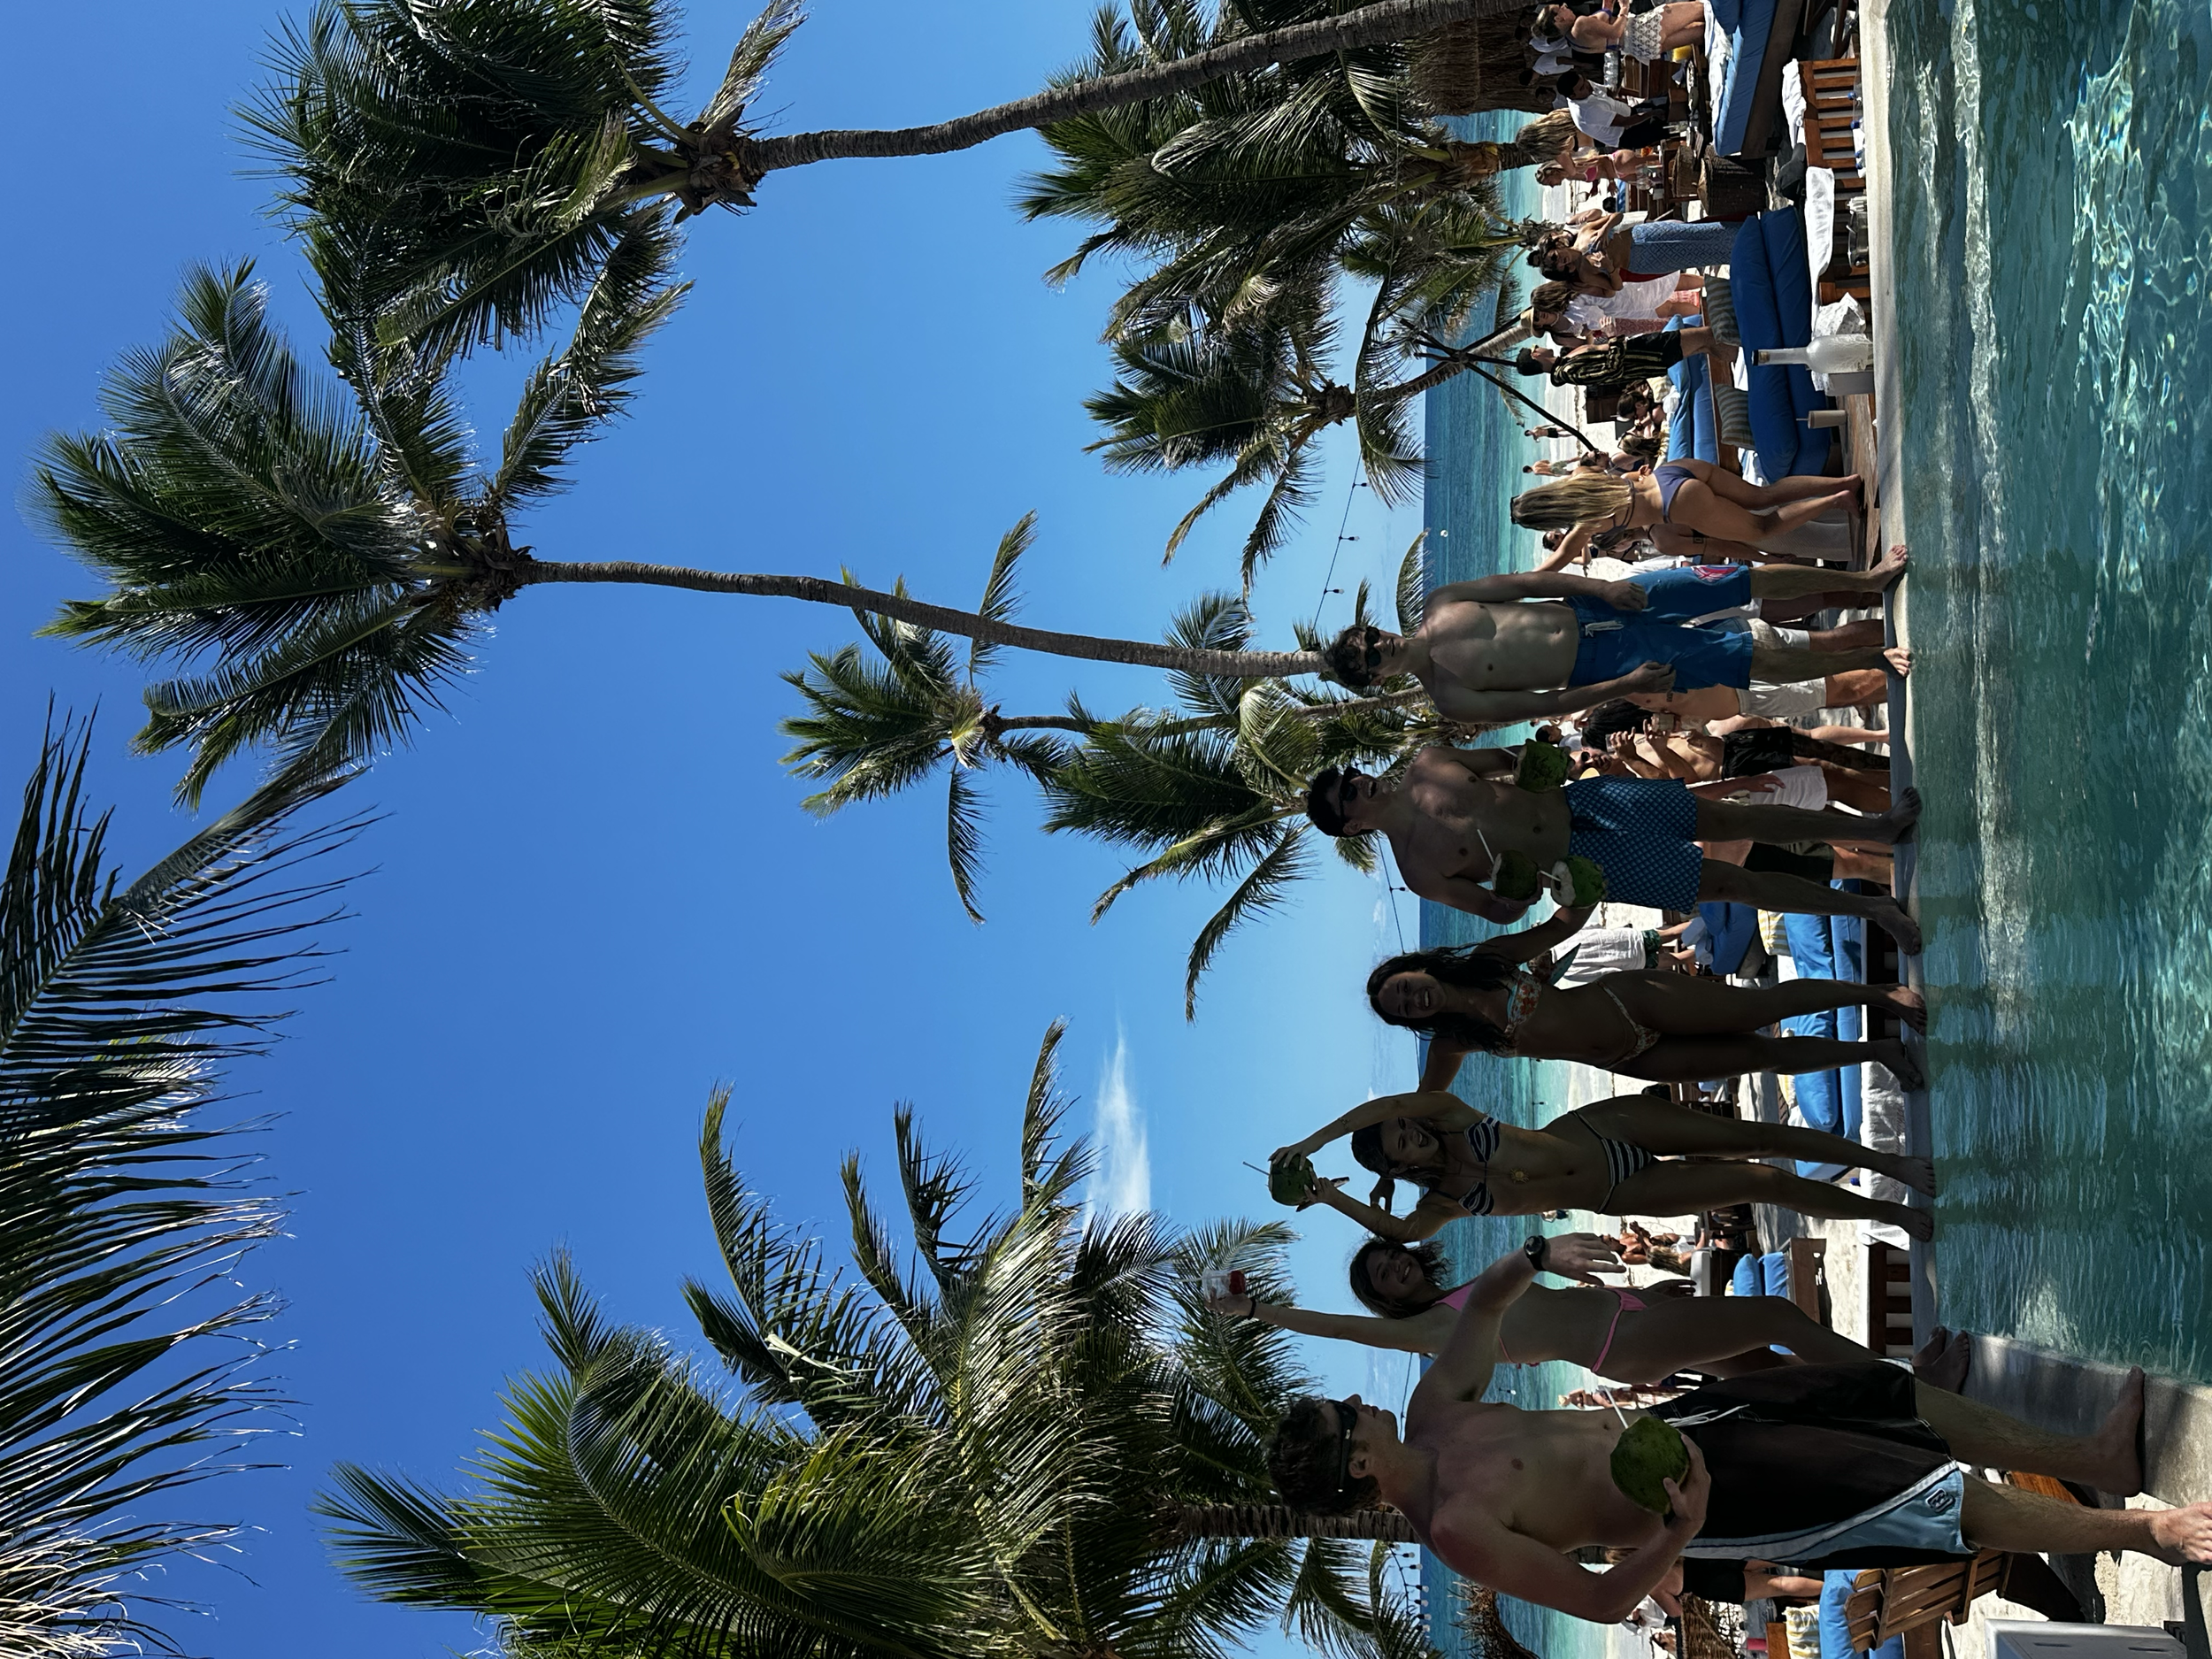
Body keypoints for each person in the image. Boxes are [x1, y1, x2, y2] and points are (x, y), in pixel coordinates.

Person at [1264, 1251, 2212, 1624]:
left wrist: (1535, 1261)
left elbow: (1479, 1321)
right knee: (1921, 1503)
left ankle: (2089, 1459)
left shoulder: (1434, 1411)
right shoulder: (1456, 1530)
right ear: (1356, 1460)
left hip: (1687, 1422)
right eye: (1345, 1415)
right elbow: (1598, 1603)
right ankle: (2149, 1534)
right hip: (1706, 1505)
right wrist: (1678, 1532)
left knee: (1882, 1391)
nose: (1358, 1400)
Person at [1301, 744, 1926, 952]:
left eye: (1351, 775)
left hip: (1587, 802)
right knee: (1736, 885)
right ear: (1352, 827)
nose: (1359, 783)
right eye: (1347, 796)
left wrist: (1546, 757)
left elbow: (1510, 759)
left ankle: (1875, 827)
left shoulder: (1428, 762)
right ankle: (1875, 910)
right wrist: (1526, 889)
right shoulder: (1417, 872)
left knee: (1732, 816)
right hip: (1585, 867)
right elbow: (1497, 912)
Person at [1267, 1087, 1934, 1239]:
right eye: (1400, 1143)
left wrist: (1310, 1140)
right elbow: (1401, 1236)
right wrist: (1329, 1196)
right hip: (1618, 1192)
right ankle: (1888, 1213)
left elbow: (1376, 1104)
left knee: (1764, 1137)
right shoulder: (1440, 1202)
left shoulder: (1452, 1115)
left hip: (1601, 1128)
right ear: (1396, 1168)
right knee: (1769, 1184)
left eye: (1403, 1127)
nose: (1409, 1131)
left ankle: (1893, 1166)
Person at [1318, 555, 1909, 725]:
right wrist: (1623, 686)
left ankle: (1864, 579)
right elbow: (1545, 703)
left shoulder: (1443, 602)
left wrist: (1598, 589)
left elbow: (1529, 581)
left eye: (1370, 637)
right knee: (1747, 662)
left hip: (1599, 603)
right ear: (1376, 679)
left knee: (1738, 579)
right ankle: (1875, 657)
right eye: (1371, 659)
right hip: (1609, 661)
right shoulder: (1448, 696)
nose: (1380, 647)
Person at [1208, 1233, 1880, 1382]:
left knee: (1764, 1370)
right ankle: (1899, 1389)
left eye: (1394, 1256)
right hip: (1619, 1344)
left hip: (1628, 1315)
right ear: (1386, 1299)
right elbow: (1337, 1326)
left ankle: (1888, 1413)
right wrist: (1257, 1309)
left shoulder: (1458, 1294)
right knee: (1778, 1317)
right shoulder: (1431, 1332)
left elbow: (1554, 1304)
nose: (1398, 1266)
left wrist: (1643, 1295)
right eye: (1386, 1275)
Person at [1364, 931, 1926, 1087]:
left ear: (1419, 968)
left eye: (1406, 986)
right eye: (1404, 1009)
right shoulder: (1453, 1040)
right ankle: (1874, 1050)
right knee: (1762, 1057)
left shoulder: (1489, 961)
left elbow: (1561, 925)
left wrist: (1573, 887)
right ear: (1413, 1021)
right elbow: (1424, 1106)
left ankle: (1880, 996)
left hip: (1629, 1000)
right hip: (1632, 1061)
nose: (1414, 999)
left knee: (1759, 1009)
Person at [1517, 467, 1870, 563]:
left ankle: (1838, 500)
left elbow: (1558, 562)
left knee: (1763, 527)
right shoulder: (1581, 476)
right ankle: (1845, 481)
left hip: (1676, 506)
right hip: (1671, 474)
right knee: (1765, 494)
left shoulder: (1585, 522)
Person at [1517, 330, 1717, 393]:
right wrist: (1613, 339)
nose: (1539, 346)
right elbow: (1611, 371)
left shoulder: (1564, 362)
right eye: (1535, 348)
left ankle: (1742, 347)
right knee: (1708, 336)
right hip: (1649, 356)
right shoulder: (1568, 372)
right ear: (1536, 356)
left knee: (1707, 344)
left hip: (1644, 350)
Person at [1548, 0, 1708, 61]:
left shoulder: (1573, 41)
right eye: (1560, 8)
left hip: (1638, 48)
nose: (1564, 6)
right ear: (1557, 19)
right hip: (1639, 30)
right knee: (1699, 8)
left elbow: (1602, 25)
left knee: (1699, 32)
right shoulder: (1579, 24)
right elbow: (1615, 32)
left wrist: (1608, 7)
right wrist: (1624, 9)